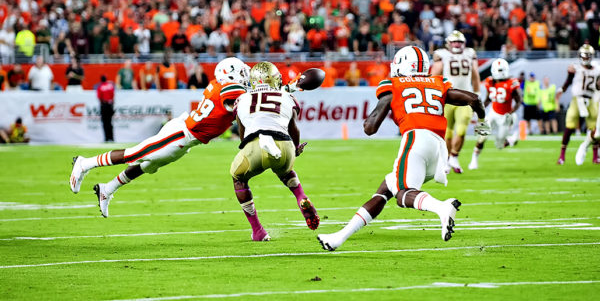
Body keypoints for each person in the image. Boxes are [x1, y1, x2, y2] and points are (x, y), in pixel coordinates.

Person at [317, 46, 489, 251]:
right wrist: (482, 119)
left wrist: (376, 116)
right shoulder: (437, 82)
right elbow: (474, 99)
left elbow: (370, 129)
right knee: (386, 189)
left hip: (415, 139)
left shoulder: (394, 84)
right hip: (439, 148)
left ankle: (441, 207)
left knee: (402, 194)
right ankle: (339, 237)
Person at [70, 57, 250, 217]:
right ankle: (84, 163)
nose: (245, 76)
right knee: (135, 154)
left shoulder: (221, 86)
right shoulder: (231, 90)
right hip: (180, 134)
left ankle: (107, 189)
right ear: (230, 75)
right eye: (241, 73)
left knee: (148, 166)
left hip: (185, 137)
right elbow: (242, 98)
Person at [231, 62, 318, 241]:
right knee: (284, 170)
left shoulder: (242, 99)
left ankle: (258, 231)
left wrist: (249, 151)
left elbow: (242, 132)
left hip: (255, 144)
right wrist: (295, 148)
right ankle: (300, 196)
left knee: (238, 177)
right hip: (284, 145)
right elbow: (294, 128)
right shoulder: (287, 96)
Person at [430, 30, 481, 173]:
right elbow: (434, 76)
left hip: (465, 98)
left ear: (464, 43)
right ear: (448, 43)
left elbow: (475, 75)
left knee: (462, 128)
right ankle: (446, 161)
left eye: (459, 42)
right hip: (447, 98)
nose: (457, 44)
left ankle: (454, 156)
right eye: (454, 42)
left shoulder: (470, 53)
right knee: (447, 132)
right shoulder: (442, 55)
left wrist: (477, 94)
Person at [468, 59, 521, 170]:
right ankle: (474, 159)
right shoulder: (490, 82)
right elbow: (488, 99)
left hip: (505, 116)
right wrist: (478, 109)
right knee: (482, 136)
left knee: (499, 146)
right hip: (493, 113)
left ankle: (510, 140)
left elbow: (519, 100)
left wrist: (511, 112)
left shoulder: (512, 82)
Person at [556, 44, 600, 165]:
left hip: (591, 99)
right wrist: (561, 89)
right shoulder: (575, 68)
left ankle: (596, 156)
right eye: (584, 56)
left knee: (596, 130)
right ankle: (562, 155)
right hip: (577, 100)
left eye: (588, 56)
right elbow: (568, 81)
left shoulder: (597, 68)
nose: (586, 58)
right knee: (569, 126)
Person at [97, 75, 115, 142]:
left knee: (105, 122)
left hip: (104, 105)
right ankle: (112, 138)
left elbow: (99, 97)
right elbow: (113, 95)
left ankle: (106, 138)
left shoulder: (100, 87)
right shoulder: (110, 86)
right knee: (110, 122)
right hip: (110, 105)